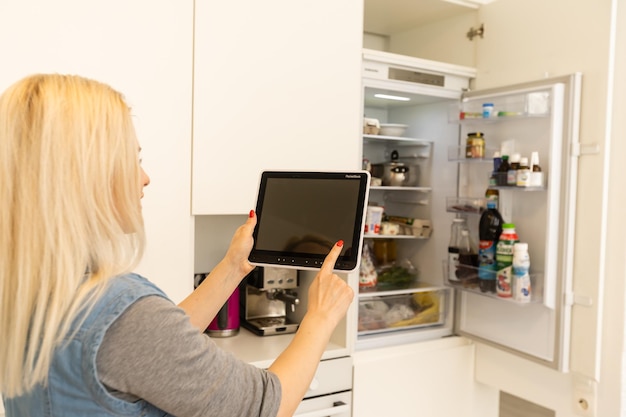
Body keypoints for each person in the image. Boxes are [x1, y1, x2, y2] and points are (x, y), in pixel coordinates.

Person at [0, 74, 355, 417]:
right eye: (134, 160)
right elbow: (266, 407)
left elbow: (147, 348)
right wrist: (321, 317)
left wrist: (233, 266)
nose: (145, 177)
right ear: (86, 172)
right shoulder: (123, 312)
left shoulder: (26, 288)